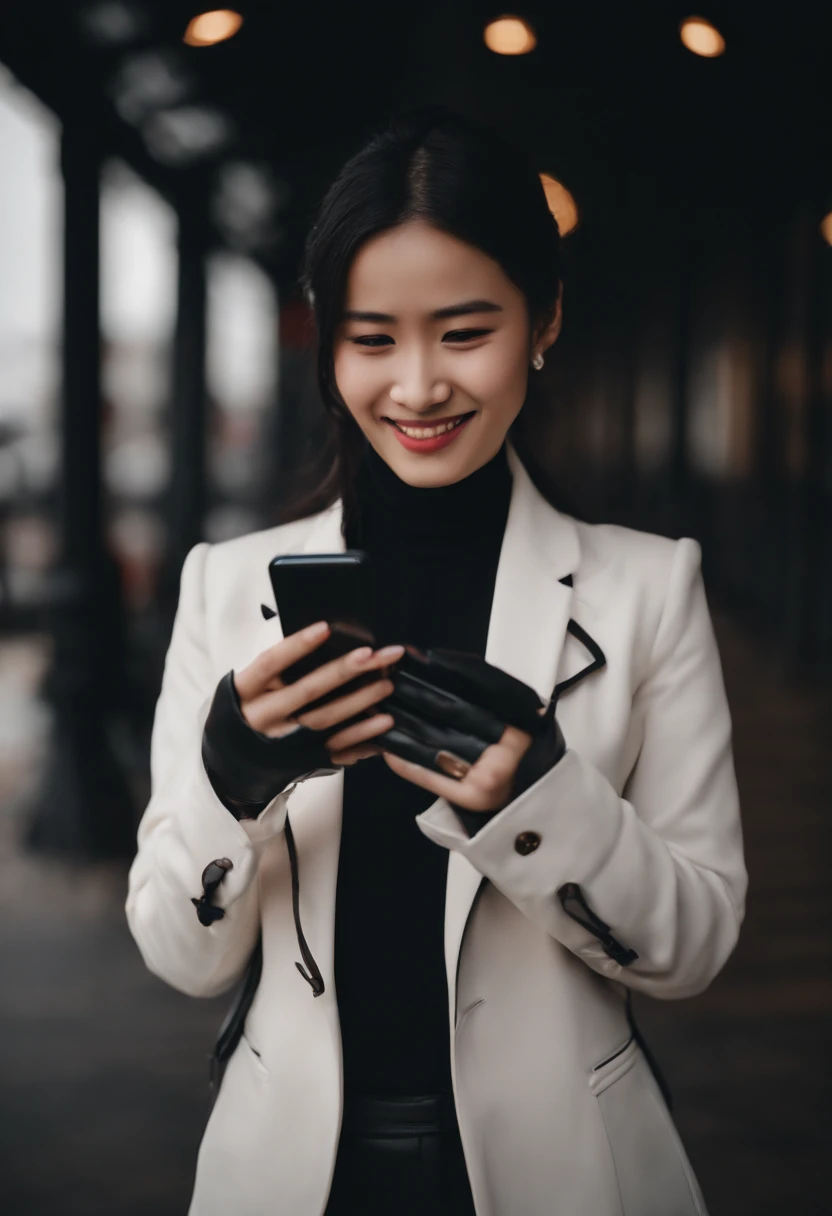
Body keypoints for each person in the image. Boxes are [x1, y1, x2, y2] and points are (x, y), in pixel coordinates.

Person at [126, 106, 747, 1216]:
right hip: (291, 1176)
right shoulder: (227, 585)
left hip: (564, 1172)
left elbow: (694, 945)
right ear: (328, 340)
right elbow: (183, 958)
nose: (416, 388)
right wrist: (233, 781)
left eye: (465, 333)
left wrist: (546, 798)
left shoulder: (649, 588)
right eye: (372, 340)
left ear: (543, 320)